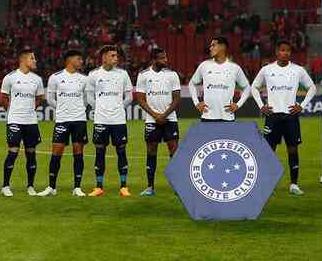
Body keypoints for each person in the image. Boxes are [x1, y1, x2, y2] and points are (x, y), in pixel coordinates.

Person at [250, 40, 316, 196]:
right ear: (276, 52)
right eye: (282, 50)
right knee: (269, 151)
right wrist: (261, 105)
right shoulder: (267, 69)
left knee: (292, 149)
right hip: (272, 116)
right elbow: (254, 87)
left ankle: (294, 184)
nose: (285, 53)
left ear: (290, 53)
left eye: (288, 50)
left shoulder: (298, 70)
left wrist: (302, 105)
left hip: (290, 116)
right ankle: (268, 184)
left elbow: (312, 87)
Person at [38, 50, 89, 197]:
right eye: (79, 59)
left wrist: (78, 109)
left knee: (78, 152)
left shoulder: (84, 79)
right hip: (62, 120)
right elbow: (50, 99)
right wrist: (62, 109)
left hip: (79, 120)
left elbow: (86, 99)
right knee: (56, 152)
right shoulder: (55, 77)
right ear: (70, 60)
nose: (81, 62)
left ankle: (77, 188)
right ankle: (51, 187)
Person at [86, 45, 134, 197]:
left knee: (121, 151)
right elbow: (89, 97)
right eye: (112, 55)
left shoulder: (123, 74)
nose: (116, 58)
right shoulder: (93, 74)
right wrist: (100, 108)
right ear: (104, 57)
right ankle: (99, 187)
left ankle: (124, 186)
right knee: (100, 152)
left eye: (116, 55)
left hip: (118, 120)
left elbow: (129, 97)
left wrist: (119, 107)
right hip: (101, 120)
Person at [135, 48, 181, 197]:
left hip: (170, 119)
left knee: (174, 152)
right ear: (154, 60)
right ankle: (150, 187)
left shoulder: (172, 75)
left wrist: (164, 115)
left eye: (166, 57)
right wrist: (155, 115)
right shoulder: (143, 75)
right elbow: (140, 99)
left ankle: (177, 186)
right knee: (151, 152)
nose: (166, 60)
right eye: (162, 58)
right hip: (151, 120)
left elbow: (177, 99)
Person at [0, 50, 45, 197]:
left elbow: (40, 97)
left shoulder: (37, 79)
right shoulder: (10, 77)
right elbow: (3, 97)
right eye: (33, 58)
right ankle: (5, 186)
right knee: (13, 151)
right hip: (15, 120)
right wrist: (12, 111)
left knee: (31, 153)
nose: (35, 61)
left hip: (31, 121)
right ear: (24, 60)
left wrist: (32, 108)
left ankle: (30, 186)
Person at [188, 37, 251, 122]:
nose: (210, 48)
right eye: (210, 46)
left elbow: (247, 87)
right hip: (207, 117)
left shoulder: (234, 68)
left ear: (222, 47)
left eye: (213, 45)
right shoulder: (204, 65)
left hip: (228, 117)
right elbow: (191, 84)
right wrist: (196, 103)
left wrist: (238, 105)